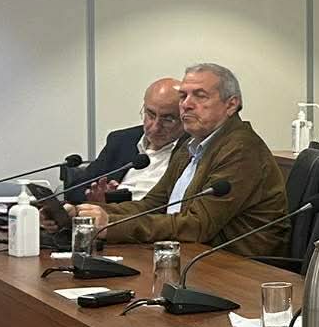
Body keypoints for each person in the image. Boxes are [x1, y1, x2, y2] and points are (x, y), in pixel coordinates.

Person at [95, 62, 289, 258]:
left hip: (238, 265)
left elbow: (197, 226)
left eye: (200, 96)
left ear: (231, 105)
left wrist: (111, 225)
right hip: (192, 255)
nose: (186, 104)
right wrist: (90, 213)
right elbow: (152, 205)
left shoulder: (242, 149)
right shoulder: (190, 144)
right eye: (183, 96)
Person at [74, 76, 181, 204]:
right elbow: (75, 189)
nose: (155, 127)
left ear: (184, 117)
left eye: (168, 119)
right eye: (151, 115)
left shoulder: (191, 150)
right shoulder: (122, 141)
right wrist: (97, 195)